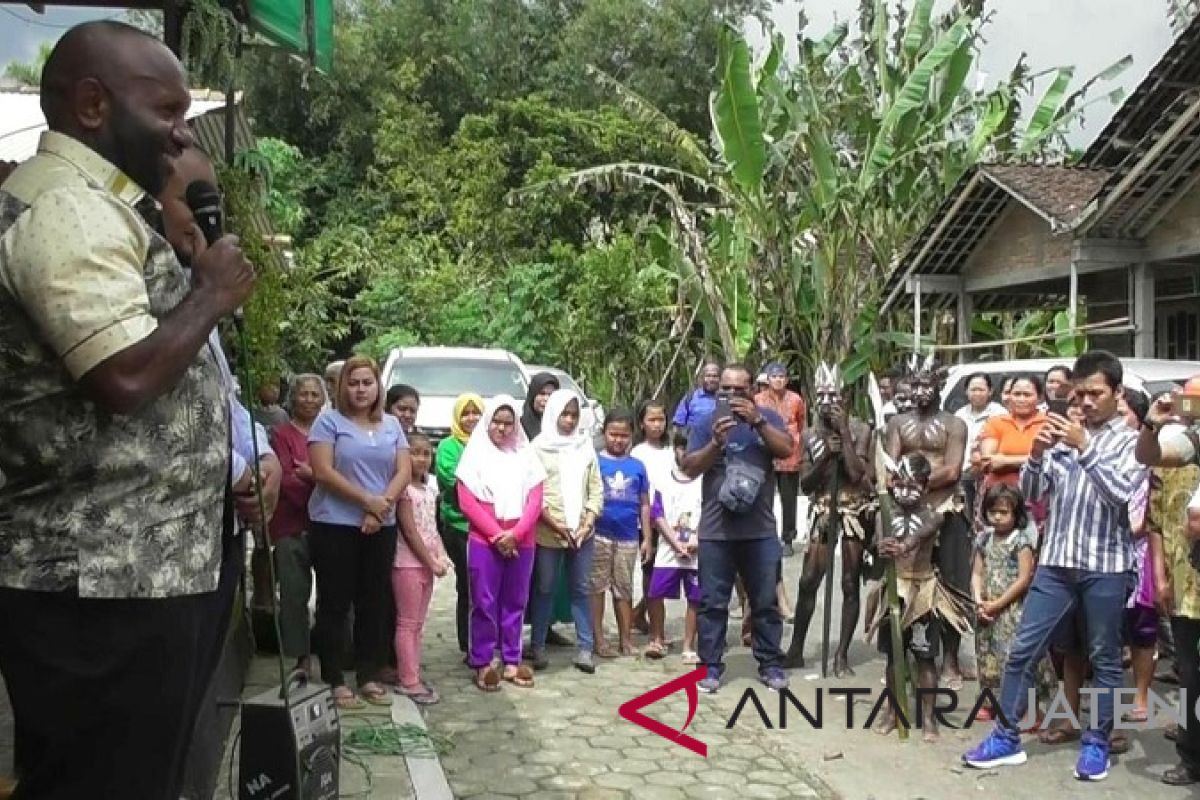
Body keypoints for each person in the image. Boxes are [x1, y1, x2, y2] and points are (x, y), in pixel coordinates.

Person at [0, 21, 256, 798]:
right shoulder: (69, 213)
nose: (182, 133)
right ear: (91, 104)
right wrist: (210, 293)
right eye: (168, 111)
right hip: (99, 591)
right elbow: (121, 376)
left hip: (132, 579)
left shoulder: (100, 207)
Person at [963, 350, 1148, 782]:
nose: (1083, 403)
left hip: (1105, 566)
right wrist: (1037, 455)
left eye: (1094, 394)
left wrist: (1083, 448)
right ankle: (1007, 737)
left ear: (1116, 394)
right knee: (1022, 649)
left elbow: (1120, 495)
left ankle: (1097, 743)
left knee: (1103, 658)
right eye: (1078, 394)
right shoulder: (1062, 433)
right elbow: (1032, 495)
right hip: (1057, 563)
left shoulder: (1128, 440)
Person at [308, 355, 411, 710]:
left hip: (380, 524)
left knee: (374, 600)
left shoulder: (392, 425)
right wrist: (367, 501)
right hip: (334, 524)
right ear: (342, 387)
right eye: (354, 383)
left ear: (377, 386)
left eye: (367, 382)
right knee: (335, 602)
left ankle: (367, 673)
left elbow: (403, 470)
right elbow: (323, 472)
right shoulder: (328, 422)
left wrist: (381, 507)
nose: (361, 389)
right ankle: (335, 676)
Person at [682, 363, 794, 694]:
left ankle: (770, 663)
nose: (732, 396)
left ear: (752, 390)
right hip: (717, 531)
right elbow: (688, 467)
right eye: (725, 390)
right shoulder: (706, 423)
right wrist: (715, 443)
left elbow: (787, 451)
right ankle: (711, 667)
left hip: (759, 530)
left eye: (739, 389)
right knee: (713, 603)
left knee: (764, 602)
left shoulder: (768, 419)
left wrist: (757, 422)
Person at [867, 453, 973, 742]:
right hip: (894, 590)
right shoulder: (883, 513)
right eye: (899, 483)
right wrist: (883, 546)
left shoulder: (933, 515)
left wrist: (903, 545)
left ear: (926, 487)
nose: (905, 490)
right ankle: (893, 711)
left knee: (925, 658)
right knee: (893, 657)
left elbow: (920, 536)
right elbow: (879, 542)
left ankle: (928, 717)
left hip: (922, 593)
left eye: (913, 485)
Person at [885, 354, 971, 690]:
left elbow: (952, 468)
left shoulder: (954, 424)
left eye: (927, 384)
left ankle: (950, 658)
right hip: (905, 508)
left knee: (950, 583)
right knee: (905, 578)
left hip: (944, 506)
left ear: (939, 385)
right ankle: (902, 654)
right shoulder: (897, 423)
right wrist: (904, 487)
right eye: (915, 384)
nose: (920, 391)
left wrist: (916, 483)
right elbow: (891, 465)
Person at [785, 363, 874, 676]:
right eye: (821, 395)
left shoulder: (861, 429)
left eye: (832, 395)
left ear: (843, 398)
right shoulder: (809, 434)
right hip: (823, 508)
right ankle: (796, 650)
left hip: (852, 508)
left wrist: (845, 437)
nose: (826, 401)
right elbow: (806, 483)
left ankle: (841, 655)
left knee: (850, 582)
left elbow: (858, 473)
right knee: (809, 579)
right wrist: (825, 457)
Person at [457, 395, 546, 691]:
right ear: (487, 422)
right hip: (485, 539)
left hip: (522, 539)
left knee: (516, 601)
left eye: (509, 423)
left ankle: (511, 660)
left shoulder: (526, 455)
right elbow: (467, 502)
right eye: (496, 421)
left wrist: (516, 534)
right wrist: (496, 535)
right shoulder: (474, 455)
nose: (502, 428)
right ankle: (482, 662)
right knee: (483, 601)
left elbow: (535, 500)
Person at [530, 389, 603, 673]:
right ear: (553, 414)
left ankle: (585, 648)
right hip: (549, 530)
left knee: (581, 588)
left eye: (574, 415)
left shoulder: (585, 447)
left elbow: (595, 488)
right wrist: (554, 523)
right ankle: (537, 645)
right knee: (545, 587)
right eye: (565, 414)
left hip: (582, 531)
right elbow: (534, 492)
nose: (570, 421)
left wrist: (587, 521)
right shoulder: (537, 448)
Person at [971, 485, 1054, 720]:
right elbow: (977, 573)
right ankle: (990, 701)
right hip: (986, 608)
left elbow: (1024, 579)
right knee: (987, 655)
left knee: (1015, 657)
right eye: (993, 511)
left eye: (1003, 512)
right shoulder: (983, 539)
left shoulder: (1021, 541)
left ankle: (1031, 708)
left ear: (1016, 515)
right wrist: (979, 600)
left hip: (1013, 610)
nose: (997, 517)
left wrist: (998, 604)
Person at [267, 374, 326, 675]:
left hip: (329, 525)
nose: (310, 400)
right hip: (291, 524)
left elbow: (341, 475)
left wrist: (314, 475)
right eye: (304, 394)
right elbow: (287, 479)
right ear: (294, 397)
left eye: (316, 394)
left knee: (333, 595)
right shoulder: (281, 434)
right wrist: (324, 481)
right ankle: (299, 658)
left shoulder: (331, 433)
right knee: (293, 593)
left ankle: (333, 654)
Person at [393, 432, 451, 705]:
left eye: (426, 453)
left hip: (426, 566)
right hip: (407, 564)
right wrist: (430, 561)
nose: (421, 459)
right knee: (407, 623)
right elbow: (411, 532)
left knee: (418, 624)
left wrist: (441, 556)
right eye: (414, 453)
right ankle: (408, 680)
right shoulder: (403, 490)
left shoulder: (430, 489)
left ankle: (412, 672)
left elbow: (432, 528)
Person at [592, 410, 653, 657]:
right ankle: (598, 639)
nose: (618, 440)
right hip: (599, 535)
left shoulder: (637, 466)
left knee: (624, 589)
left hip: (628, 536)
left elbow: (645, 503)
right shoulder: (596, 462)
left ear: (631, 436)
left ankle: (625, 639)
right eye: (613, 434)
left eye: (623, 435)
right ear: (604, 433)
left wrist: (647, 537)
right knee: (597, 588)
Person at [520, 371, 573, 645]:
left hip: (558, 514)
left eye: (551, 394)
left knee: (552, 579)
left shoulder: (566, 430)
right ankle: (521, 631)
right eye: (541, 393)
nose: (545, 399)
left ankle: (547, 627)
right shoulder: (521, 427)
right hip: (528, 515)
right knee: (531, 577)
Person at [645, 433, 703, 663]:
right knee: (656, 593)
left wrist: (697, 540)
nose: (686, 453)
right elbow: (656, 512)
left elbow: (710, 513)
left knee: (696, 598)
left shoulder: (705, 479)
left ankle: (689, 645)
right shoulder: (663, 479)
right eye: (682, 448)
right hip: (669, 549)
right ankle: (657, 638)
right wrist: (674, 542)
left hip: (697, 550)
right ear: (675, 449)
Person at [434, 393, 484, 654]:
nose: (471, 418)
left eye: (476, 412)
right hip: (460, 526)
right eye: (466, 413)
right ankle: (469, 645)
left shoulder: (492, 444)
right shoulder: (448, 447)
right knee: (468, 585)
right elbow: (456, 481)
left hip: (490, 527)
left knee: (487, 588)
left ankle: (488, 641)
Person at [755, 362, 807, 557]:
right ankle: (766, 536)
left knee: (789, 500)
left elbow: (801, 424)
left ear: (786, 380)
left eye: (781, 377)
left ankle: (788, 538)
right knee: (764, 498)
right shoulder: (758, 400)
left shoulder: (796, 399)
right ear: (767, 379)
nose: (777, 380)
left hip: (789, 455)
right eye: (774, 376)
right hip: (765, 454)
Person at [631, 399, 673, 632]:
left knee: (668, 570)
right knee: (651, 569)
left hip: (670, 519)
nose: (657, 425)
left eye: (661, 420)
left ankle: (639, 612)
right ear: (642, 423)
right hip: (646, 521)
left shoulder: (670, 451)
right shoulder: (638, 453)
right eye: (652, 420)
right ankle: (653, 623)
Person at [978, 376, 1046, 494]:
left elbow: (1049, 463)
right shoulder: (995, 422)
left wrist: (1005, 461)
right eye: (1017, 394)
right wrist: (1030, 461)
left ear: (1039, 398)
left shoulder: (1048, 424)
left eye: (1027, 395)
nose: (1021, 399)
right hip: (998, 495)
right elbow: (988, 463)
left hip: (1037, 495)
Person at [955, 372, 1006, 525]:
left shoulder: (999, 413)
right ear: (966, 392)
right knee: (966, 516)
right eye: (973, 389)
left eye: (981, 389)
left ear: (990, 391)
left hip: (988, 474)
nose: (977, 393)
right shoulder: (960, 415)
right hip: (963, 474)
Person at [673, 360, 721, 434]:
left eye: (715, 376)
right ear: (702, 378)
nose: (711, 379)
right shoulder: (690, 397)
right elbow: (678, 423)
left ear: (720, 379)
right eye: (708, 376)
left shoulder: (725, 398)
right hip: (694, 443)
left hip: (720, 442)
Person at [521, 372, 561, 439]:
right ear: (532, 395)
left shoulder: (561, 425)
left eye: (551, 394)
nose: (546, 399)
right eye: (542, 394)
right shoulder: (520, 426)